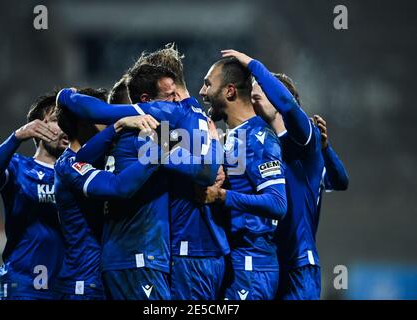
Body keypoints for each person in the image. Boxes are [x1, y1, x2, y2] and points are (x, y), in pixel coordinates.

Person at [223, 49, 348, 300]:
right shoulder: (256, 146)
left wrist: (254, 65)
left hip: (298, 265)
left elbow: (340, 181)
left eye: (263, 89)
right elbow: (338, 181)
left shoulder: (303, 141)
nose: (256, 93)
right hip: (264, 264)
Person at [129, 44, 230, 300]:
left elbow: (206, 171)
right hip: (213, 246)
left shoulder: (167, 119)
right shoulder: (198, 115)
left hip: (188, 248)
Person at [53, 87, 162, 300]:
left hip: (103, 276)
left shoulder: (98, 159)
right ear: (85, 120)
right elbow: (119, 187)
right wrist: (163, 149)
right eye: (102, 115)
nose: (108, 119)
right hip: (83, 282)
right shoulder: (68, 165)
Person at [198, 56, 288, 300]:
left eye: (208, 84)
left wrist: (222, 195)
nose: (202, 91)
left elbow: (278, 204)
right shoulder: (232, 137)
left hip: (254, 266)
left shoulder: (260, 139)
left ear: (229, 91)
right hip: (236, 261)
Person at [0, 92, 67, 300]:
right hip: (25, 285)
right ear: (37, 128)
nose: (65, 128)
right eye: (56, 121)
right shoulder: (18, 167)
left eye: (68, 122)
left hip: (70, 286)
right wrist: (16, 137)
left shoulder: (78, 174)